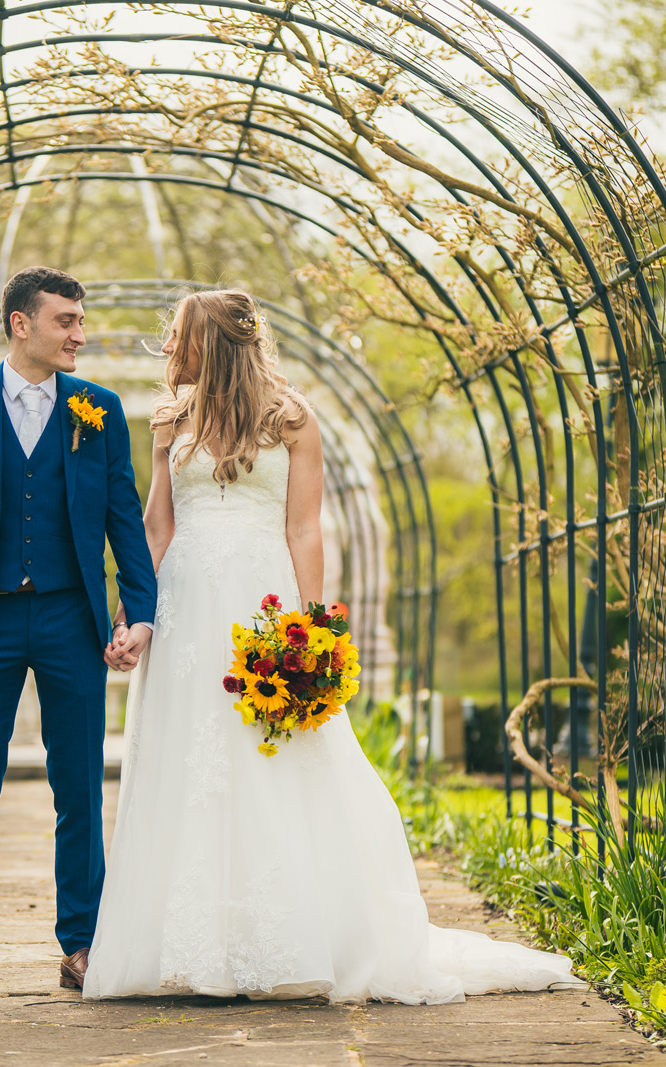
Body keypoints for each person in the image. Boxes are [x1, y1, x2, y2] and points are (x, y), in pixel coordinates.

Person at [85, 288, 579, 1003]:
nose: (168, 348)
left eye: (179, 336)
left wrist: (310, 629)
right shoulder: (169, 421)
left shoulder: (291, 417)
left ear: (212, 343)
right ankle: (188, 943)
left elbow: (304, 527)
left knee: (273, 760)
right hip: (186, 609)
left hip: (260, 605)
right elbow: (156, 528)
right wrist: (138, 613)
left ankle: (283, 939)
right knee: (184, 762)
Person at [0, 266, 157, 1002]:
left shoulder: (98, 409)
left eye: (81, 320)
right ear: (22, 324)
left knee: (78, 785)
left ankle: (82, 944)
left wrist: (138, 609)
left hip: (68, 618)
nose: (80, 333)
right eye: (66, 321)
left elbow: (125, 518)